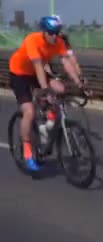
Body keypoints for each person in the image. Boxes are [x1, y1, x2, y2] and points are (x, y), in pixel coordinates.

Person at [8, 15, 85, 171]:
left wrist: (79, 83)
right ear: (44, 31)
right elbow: (38, 67)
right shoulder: (32, 40)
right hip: (19, 73)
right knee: (28, 111)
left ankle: (48, 120)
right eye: (51, 32)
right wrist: (45, 91)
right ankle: (28, 151)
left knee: (60, 89)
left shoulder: (58, 42)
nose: (54, 36)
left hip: (36, 72)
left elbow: (67, 63)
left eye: (57, 32)